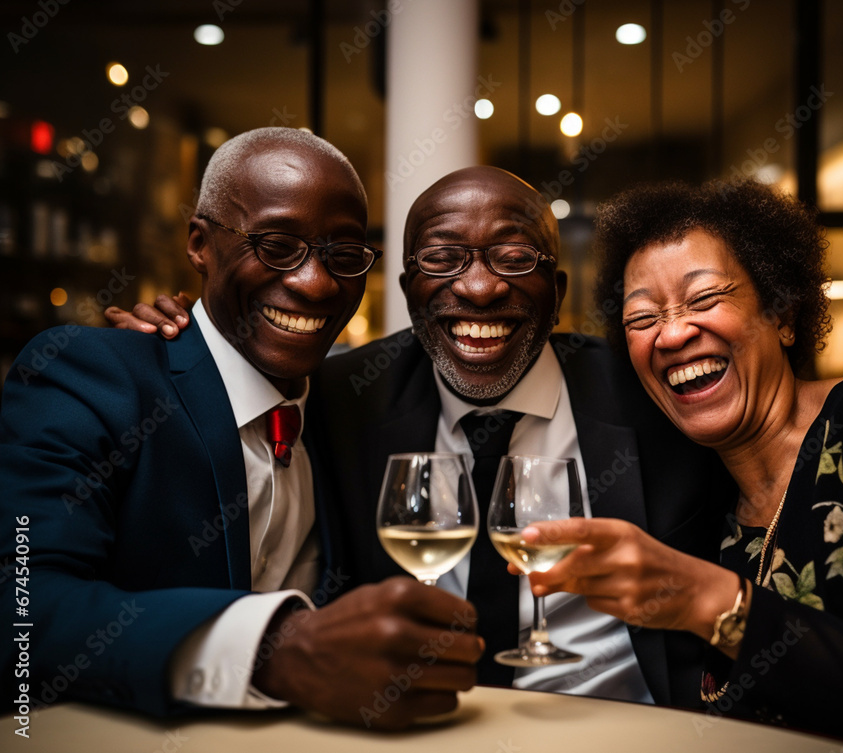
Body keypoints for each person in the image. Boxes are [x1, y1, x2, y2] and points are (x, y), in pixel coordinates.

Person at [109, 166, 733, 710]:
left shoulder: (651, 394)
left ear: (557, 295)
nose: (480, 288)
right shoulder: (342, 395)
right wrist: (177, 339)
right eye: (441, 259)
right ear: (408, 293)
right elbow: (232, 371)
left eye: (515, 258)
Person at [0, 127, 482, 731]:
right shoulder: (93, 376)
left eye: (344, 253)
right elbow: (20, 607)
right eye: (277, 245)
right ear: (199, 244)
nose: (316, 282)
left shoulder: (343, 401)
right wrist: (275, 650)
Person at [518, 178, 843, 750]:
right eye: (642, 319)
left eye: (703, 300)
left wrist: (715, 602)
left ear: (783, 313)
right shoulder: (696, 492)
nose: (672, 333)